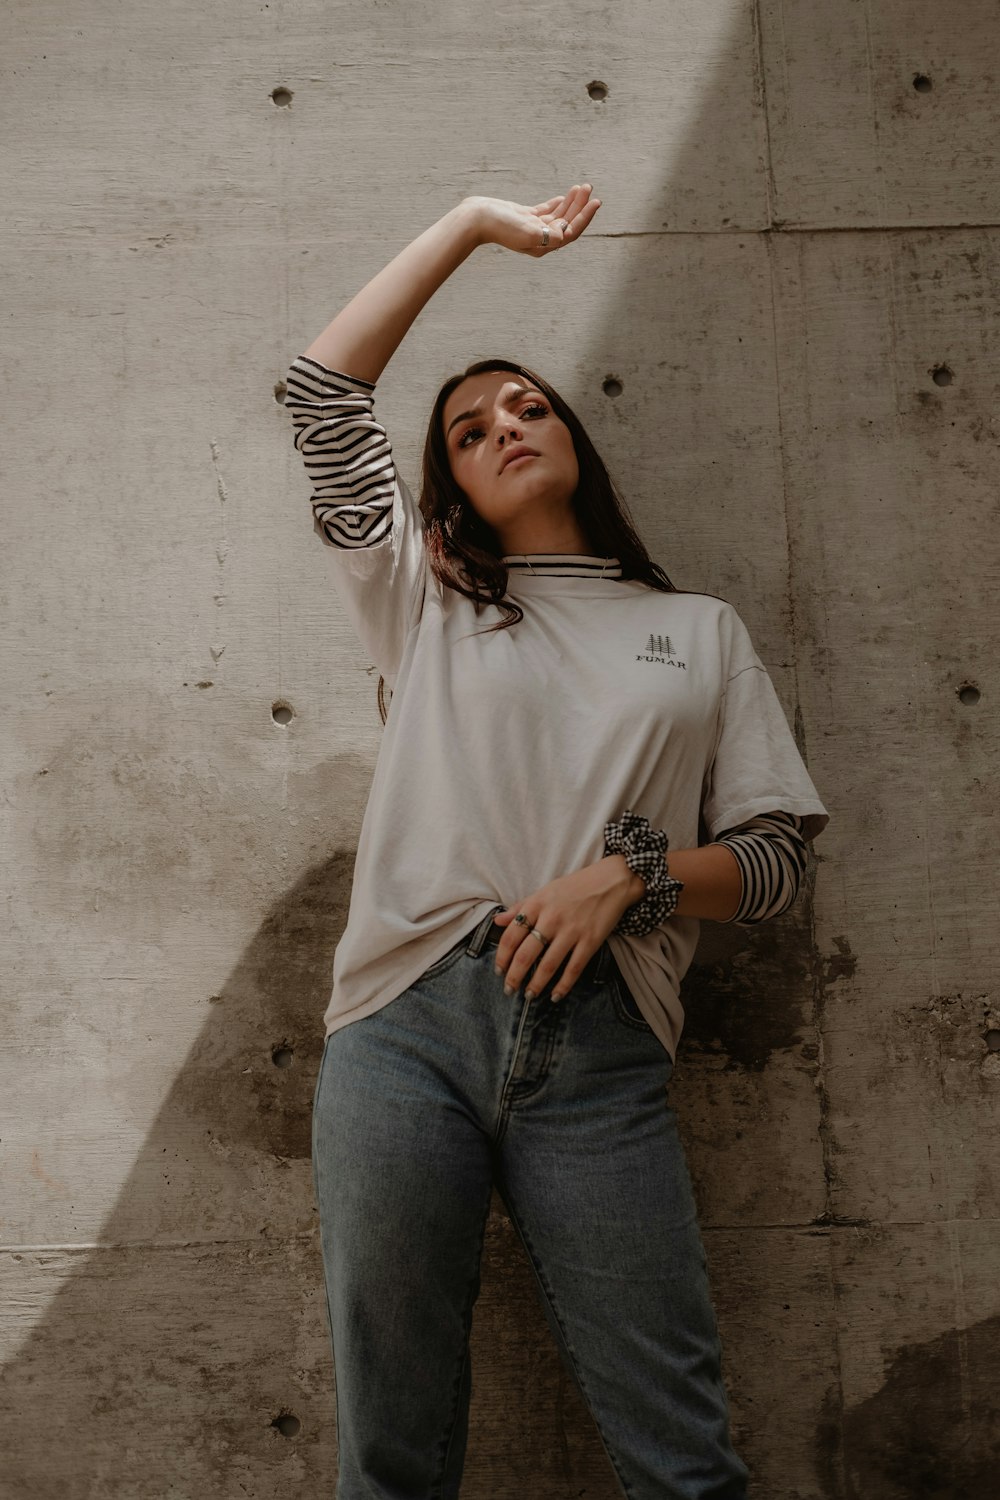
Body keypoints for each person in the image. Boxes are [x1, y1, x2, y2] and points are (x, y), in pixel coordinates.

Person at [284, 186, 829, 1499]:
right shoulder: (424, 600)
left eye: (528, 406)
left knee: (681, 1450)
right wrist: (473, 224)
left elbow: (775, 862)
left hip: (599, 1045)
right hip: (406, 1026)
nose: (505, 428)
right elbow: (317, 395)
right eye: (470, 429)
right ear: (451, 485)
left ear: (572, 433)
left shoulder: (696, 631)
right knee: (394, 1451)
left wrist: (631, 876)